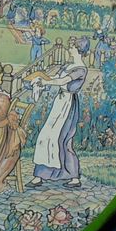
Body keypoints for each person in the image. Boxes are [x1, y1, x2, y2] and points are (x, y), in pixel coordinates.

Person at [29, 37, 89, 188]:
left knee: (63, 139)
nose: (69, 49)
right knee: (46, 136)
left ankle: (73, 176)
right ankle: (40, 175)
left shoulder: (81, 69)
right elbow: (57, 78)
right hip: (59, 102)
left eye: (72, 47)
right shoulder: (68, 65)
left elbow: (63, 81)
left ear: (78, 50)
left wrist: (45, 81)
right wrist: (41, 80)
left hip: (68, 105)